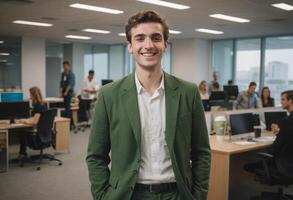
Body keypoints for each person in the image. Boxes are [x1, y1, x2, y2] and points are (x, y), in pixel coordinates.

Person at [86, 10, 211, 200]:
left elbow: (201, 152)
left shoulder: (188, 92)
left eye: (155, 38)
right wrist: (103, 196)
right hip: (128, 195)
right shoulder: (109, 95)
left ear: (165, 45)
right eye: (140, 38)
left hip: (177, 194)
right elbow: (96, 156)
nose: (148, 45)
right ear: (130, 46)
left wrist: (198, 195)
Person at [244, 90, 293, 176]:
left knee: (247, 165)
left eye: (283, 99)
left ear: (290, 101)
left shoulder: (287, 121)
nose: (281, 102)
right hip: (289, 164)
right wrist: (280, 133)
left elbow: (275, 148)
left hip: (283, 166)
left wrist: (260, 150)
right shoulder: (288, 122)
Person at [17, 86, 48, 159]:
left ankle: (22, 153)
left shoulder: (38, 106)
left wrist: (24, 121)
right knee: (22, 131)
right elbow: (36, 118)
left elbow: (35, 122)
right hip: (44, 132)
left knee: (21, 132)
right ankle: (22, 153)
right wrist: (26, 119)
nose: (30, 96)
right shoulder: (43, 104)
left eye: (30, 94)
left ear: (34, 95)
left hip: (38, 134)